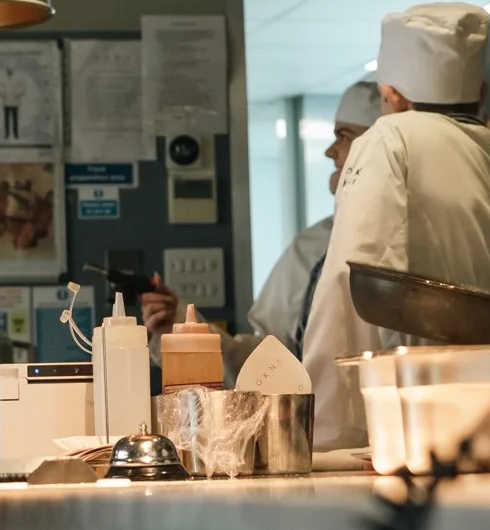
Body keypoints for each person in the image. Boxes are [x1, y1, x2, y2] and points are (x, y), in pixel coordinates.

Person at [300, 5, 490, 449]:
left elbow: (355, 277)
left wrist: (323, 424)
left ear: (392, 95)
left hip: (410, 401)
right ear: (481, 91)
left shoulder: (388, 137)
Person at [141, 81, 386, 372]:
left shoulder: (410, 243)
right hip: (313, 414)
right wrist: (181, 328)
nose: (330, 152)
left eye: (344, 137)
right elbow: (266, 360)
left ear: (375, 151)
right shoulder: (312, 246)